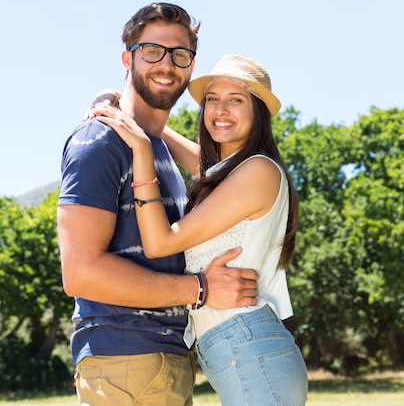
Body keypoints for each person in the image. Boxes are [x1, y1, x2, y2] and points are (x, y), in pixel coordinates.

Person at [58, 4, 259, 406]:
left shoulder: (153, 145)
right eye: (152, 51)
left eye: (178, 54)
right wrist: (201, 290)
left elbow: (223, 169)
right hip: (125, 361)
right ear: (127, 57)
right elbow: (80, 273)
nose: (166, 64)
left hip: (162, 362)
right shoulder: (99, 142)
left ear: (190, 66)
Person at [91, 53, 308, 406]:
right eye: (212, 99)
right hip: (243, 348)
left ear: (259, 113)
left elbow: (160, 243)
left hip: (250, 349)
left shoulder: (258, 172)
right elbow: (164, 133)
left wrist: (142, 151)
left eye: (235, 100)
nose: (220, 110)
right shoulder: (230, 172)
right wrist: (112, 101)